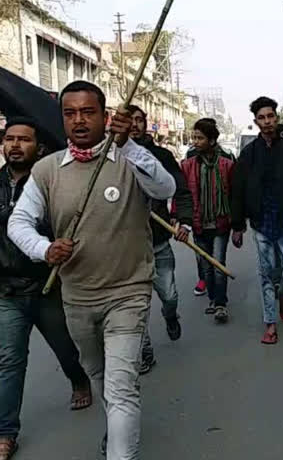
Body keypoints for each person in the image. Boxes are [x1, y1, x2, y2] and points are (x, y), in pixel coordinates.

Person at [8, 80, 176, 460]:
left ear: (105, 116)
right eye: (70, 114)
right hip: (78, 295)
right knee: (98, 375)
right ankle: (115, 426)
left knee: (121, 386)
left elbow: (165, 189)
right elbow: (19, 223)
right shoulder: (48, 169)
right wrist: (45, 248)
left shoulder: (129, 161)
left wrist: (129, 145)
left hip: (128, 292)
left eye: (88, 112)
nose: (79, 120)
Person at [0, 117, 91, 460]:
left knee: (66, 348)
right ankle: (6, 432)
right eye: (9, 139)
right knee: (10, 361)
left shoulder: (51, 182)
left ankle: (79, 379)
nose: (14, 145)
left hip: (47, 286)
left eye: (23, 140)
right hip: (7, 290)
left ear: (38, 148)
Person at [231, 97, 283, 345]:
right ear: (256, 122)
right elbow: (238, 190)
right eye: (262, 118)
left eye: (270, 116)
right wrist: (238, 226)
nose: (267, 122)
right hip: (262, 223)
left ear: (277, 118)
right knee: (266, 274)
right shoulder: (249, 154)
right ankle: (270, 324)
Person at [126, 105, 193, 373]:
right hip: (126, 248)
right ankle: (145, 352)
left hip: (159, 241)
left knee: (170, 296)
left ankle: (170, 317)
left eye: (139, 120)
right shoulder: (109, 157)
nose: (134, 125)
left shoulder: (161, 156)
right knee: (135, 307)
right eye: (128, 120)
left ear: (146, 124)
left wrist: (183, 221)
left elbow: (181, 190)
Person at [181, 119, 234, 324]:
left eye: (200, 138)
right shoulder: (187, 165)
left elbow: (234, 195)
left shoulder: (227, 164)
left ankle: (221, 303)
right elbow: (182, 195)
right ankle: (213, 298)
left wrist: (237, 225)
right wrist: (181, 221)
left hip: (221, 224)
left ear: (212, 140)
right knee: (206, 265)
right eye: (194, 137)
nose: (195, 141)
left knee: (219, 264)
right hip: (199, 223)